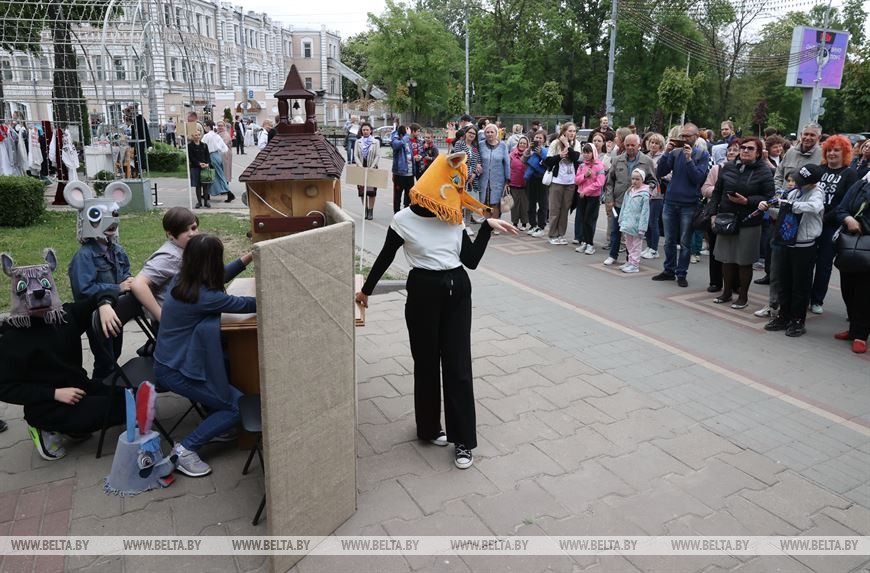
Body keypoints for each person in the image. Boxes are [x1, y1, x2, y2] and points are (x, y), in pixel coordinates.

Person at [354, 153, 518, 470]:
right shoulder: (403, 220)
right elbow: (385, 257)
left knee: (457, 367)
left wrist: (486, 228)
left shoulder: (453, 216)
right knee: (426, 365)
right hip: (422, 293)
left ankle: (463, 442)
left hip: (457, 289)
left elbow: (469, 260)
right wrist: (366, 291)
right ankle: (428, 428)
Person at [0, 250, 125, 460]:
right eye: (27, 289)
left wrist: (104, 305)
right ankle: (43, 427)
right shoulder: (13, 339)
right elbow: (4, 388)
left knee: (128, 396)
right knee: (118, 410)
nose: (38, 293)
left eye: (44, 285)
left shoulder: (65, 316)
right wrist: (54, 394)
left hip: (79, 388)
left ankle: (73, 426)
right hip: (47, 404)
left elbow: (97, 296)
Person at [154, 235, 255, 477]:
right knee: (238, 406)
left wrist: (248, 257)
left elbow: (221, 277)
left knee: (232, 372)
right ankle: (185, 450)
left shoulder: (182, 280)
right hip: (177, 371)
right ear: (210, 264)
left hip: (170, 360)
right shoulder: (204, 297)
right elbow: (244, 304)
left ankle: (216, 422)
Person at [758, 164, 824, 337]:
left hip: (804, 246)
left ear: (812, 182)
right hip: (786, 242)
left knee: (800, 286)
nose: (796, 183)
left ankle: (797, 320)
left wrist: (789, 204)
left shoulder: (817, 193)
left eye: (801, 181)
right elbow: (782, 213)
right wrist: (767, 208)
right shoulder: (794, 192)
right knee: (784, 282)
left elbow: (814, 207)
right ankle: (783, 316)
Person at [710, 137, 775, 309]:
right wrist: (712, 213)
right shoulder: (729, 166)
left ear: (758, 152)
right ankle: (726, 292)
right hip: (727, 218)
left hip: (749, 221)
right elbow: (717, 192)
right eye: (743, 148)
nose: (745, 151)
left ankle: (743, 297)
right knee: (727, 259)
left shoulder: (764, 171)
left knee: (744, 261)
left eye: (750, 148)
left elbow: (769, 197)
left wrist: (747, 201)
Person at [653, 123, 710, 287]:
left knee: (685, 242)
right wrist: (666, 152)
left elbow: (698, 179)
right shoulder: (675, 153)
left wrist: (689, 159)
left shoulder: (702, 154)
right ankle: (668, 270)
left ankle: (681, 273)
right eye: (683, 135)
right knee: (669, 240)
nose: (684, 138)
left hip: (689, 204)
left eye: (688, 136)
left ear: (696, 136)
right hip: (670, 202)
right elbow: (660, 172)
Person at [809, 135, 859, 315]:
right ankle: (803, 295)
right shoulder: (819, 169)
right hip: (811, 222)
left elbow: (847, 202)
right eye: (829, 150)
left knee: (824, 264)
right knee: (806, 261)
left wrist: (826, 217)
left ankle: (816, 299)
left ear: (845, 152)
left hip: (831, 226)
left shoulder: (850, 173)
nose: (832, 153)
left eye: (836, 150)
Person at [130, 207, 199, 323]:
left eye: (193, 228)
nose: (191, 233)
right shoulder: (170, 257)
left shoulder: (185, 249)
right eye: (184, 230)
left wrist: (240, 262)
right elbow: (138, 284)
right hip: (175, 326)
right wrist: (161, 316)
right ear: (170, 234)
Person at [831, 177, 870, 353]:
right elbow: (841, 208)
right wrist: (848, 219)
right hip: (851, 244)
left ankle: (861, 335)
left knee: (865, 293)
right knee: (848, 289)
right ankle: (854, 329)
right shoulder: (861, 183)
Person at [604, 134, 656, 264]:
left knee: (631, 234)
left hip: (636, 205)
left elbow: (653, 181)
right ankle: (612, 255)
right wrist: (609, 199)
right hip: (619, 201)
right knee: (615, 229)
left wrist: (646, 192)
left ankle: (631, 259)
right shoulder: (617, 160)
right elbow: (609, 182)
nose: (630, 148)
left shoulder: (647, 161)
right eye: (627, 145)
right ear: (624, 145)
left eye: (633, 145)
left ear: (639, 146)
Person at [702, 140, 741, 293]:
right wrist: (720, 191)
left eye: (735, 150)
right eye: (729, 150)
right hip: (717, 214)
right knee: (715, 250)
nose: (731, 152)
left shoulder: (744, 171)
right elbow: (705, 189)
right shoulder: (717, 169)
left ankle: (735, 284)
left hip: (736, 215)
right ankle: (716, 282)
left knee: (734, 251)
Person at [542, 123, 582, 245]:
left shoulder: (577, 144)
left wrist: (566, 144)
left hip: (570, 182)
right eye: (570, 131)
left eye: (574, 131)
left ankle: (561, 234)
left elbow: (575, 157)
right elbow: (548, 161)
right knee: (555, 209)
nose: (572, 133)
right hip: (557, 181)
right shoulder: (555, 143)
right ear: (564, 131)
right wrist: (560, 156)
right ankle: (552, 235)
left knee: (565, 209)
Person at [573, 143, 606, 254]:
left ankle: (590, 244)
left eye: (588, 152)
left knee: (589, 220)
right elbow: (576, 180)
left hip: (593, 197)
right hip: (581, 196)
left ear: (593, 153)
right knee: (582, 219)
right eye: (584, 152)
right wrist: (585, 176)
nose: (586, 155)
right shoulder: (582, 166)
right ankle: (584, 242)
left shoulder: (599, 166)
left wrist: (586, 191)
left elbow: (600, 183)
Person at [617, 168, 652, 273]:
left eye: (637, 179)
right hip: (627, 224)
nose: (634, 181)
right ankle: (630, 261)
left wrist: (642, 228)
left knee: (636, 245)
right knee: (629, 244)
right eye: (633, 179)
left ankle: (635, 264)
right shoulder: (629, 191)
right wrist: (621, 219)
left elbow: (645, 213)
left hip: (637, 226)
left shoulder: (644, 195)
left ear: (642, 180)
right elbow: (624, 206)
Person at [478, 123, 511, 222]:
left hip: (498, 179)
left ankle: (495, 223)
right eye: (487, 132)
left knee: (496, 202)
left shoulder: (502, 145)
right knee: (485, 202)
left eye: (492, 132)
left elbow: (507, 162)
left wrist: (508, 178)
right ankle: (487, 224)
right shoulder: (481, 145)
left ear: (496, 133)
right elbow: (477, 159)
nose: (489, 134)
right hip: (484, 178)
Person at [775, 123, 822, 189]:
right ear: (801, 135)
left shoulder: (822, 156)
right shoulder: (790, 152)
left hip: (805, 198)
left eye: (812, 135)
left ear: (819, 137)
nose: (808, 138)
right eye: (806, 134)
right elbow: (779, 174)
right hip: (783, 197)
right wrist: (778, 192)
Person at [642, 132, 666, 259]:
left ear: (661, 145)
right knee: (646, 221)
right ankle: (649, 246)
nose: (653, 145)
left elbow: (668, 174)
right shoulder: (645, 156)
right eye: (652, 142)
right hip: (645, 191)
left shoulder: (663, 158)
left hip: (657, 193)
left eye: (657, 143)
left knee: (653, 221)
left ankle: (654, 249)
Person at [523, 129, 549, 237]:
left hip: (542, 179)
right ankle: (533, 224)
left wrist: (541, 154)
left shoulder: (546, 151)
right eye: (536, 137)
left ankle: (541, 226)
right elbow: (523, 161)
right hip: (531, 179)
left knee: (543, 203)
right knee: (531, 203)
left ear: (544, 140)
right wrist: (528, 151)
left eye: (540, 138)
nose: (538, 139)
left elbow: (549, 163)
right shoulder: (530, 151)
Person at [354, 122, 381, 220]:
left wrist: (372, 167)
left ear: (371, 131)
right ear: (361, 131)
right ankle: (365, 210)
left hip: (372, 169)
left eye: (367, 130)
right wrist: (360, 166)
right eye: (363, 130)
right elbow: (355, 155)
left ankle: (371, 211)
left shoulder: (376, 142)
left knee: (372, 192)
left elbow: (378, 155)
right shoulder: (358, 142)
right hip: (360, 170)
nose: (365, 131)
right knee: (362, 192)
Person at [202, 121, 234, 202]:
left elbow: (202, 146)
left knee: (216, 175)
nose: (204, 127)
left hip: (211, 156)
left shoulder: (207, 136)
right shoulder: (216, 136)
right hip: (217, 156)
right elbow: (224, 148)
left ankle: (229, 193)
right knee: (213, 175)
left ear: (208, 126)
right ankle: (207, 194)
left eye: (205, 126)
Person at [508, 136, 531, 230]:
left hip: (526, 184)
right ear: (518, 144)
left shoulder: (530, 154)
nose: (522, 145)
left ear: (527, 145)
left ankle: (524, 223)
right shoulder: (512, 154)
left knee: (525, 205)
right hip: (514, 183)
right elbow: (508, 167)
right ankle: (514, 223)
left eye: (524, 143)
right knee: (515, 205)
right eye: (521, 143)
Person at [391, 125, 414, 213]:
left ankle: (406, 213)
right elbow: (396, 145)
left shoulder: (409, 141)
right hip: (399, 174)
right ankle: (396, 214)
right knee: (397, 196)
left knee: (409, 196)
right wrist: (406, 136)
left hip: (410, 174)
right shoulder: (396, 140)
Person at [187, 131, 211, 209]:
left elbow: (207, 156)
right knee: (198, 186)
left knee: (205, 185)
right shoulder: (190, 146)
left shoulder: (204, 145)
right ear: (192, 136)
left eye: (198, 135)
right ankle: (199, 202)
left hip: (205, 167)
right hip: (195, 167)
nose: (197, 136)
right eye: (195, 135)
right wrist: (199, 163)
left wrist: (207, 163)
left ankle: (206, 202)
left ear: (200, 136)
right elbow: (191, 157)